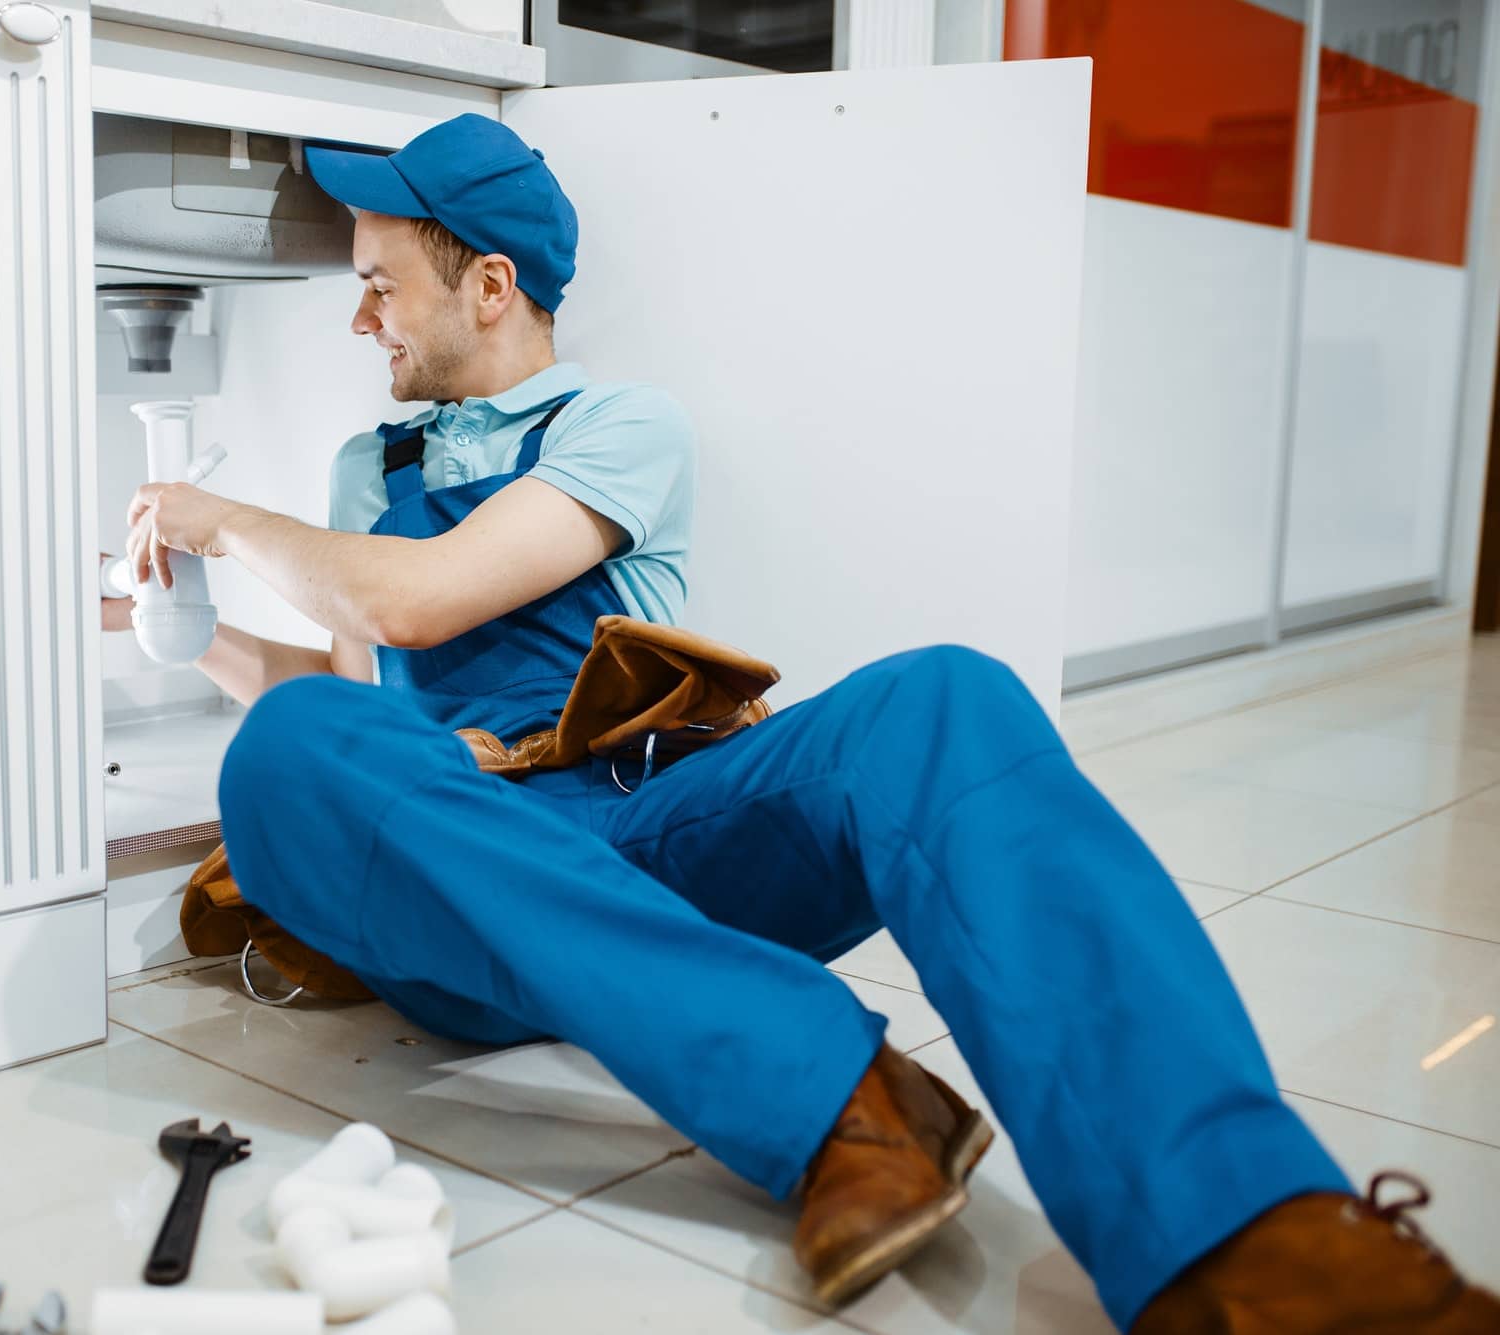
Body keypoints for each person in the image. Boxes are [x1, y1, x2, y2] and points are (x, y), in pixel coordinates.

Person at [108, 114, 1500, 1333]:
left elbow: (416, 604)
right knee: (295, 751)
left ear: (489, 283)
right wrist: (178, 631)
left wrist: (224, 518)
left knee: (944, 697)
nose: (361, 324)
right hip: (473, 878)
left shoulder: (619, 426)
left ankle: (1249, 1238)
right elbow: (361, 691)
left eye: (377, 287)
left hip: (642, 822)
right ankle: (841, 1100)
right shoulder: (368, 466)